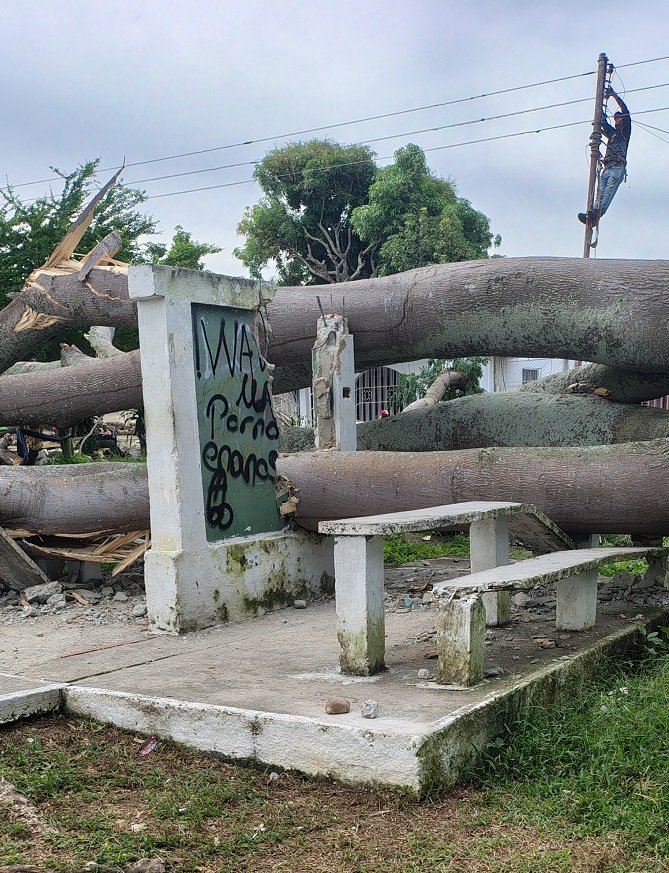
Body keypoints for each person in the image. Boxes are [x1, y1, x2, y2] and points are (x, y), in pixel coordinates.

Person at [578, 87, 631, 226]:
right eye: (615, 119)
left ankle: (597, 214)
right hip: (607, 167)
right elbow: (602, 122)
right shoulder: (613, 133)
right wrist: (599, 107)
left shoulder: (625, 132)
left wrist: (613, 95)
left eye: (619, 118)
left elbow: (626, 111)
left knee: (607, 193)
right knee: (599, 194)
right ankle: (593, 215)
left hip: (617, 167)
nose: (617, 121)